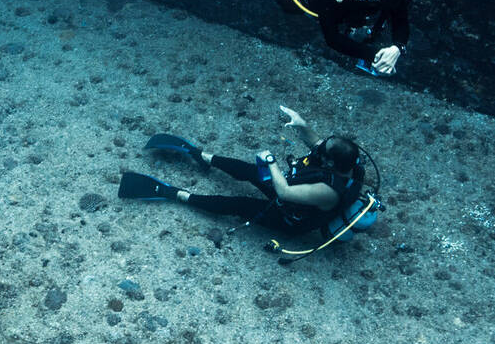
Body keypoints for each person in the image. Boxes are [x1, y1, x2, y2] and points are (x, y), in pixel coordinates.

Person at [117, 105, 377, 249]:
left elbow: (285, 192)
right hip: (295, 196)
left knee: (240, 205)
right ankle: (203, 157)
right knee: (250, 172)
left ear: (330, 163)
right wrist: (302, 124)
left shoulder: (328, 190)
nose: (317, 147)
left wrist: (272, 162)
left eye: (323, 151)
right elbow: (319, 144)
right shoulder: (351, 164)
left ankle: (176, 194)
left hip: (290, 217)